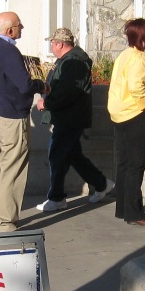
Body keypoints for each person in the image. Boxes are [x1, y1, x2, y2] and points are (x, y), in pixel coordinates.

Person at [35, 27, 112, 212]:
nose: (51, 46)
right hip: (68, 116)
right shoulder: (69, 61)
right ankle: (101, 184)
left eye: (52, 43)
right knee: (72, 155)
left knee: (57, 155)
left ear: (60, 44)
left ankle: (57, 198)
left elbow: (67, 92)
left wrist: (47, 103)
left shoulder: (74, 63)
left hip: (69, 117)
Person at [0, 11, 47, 232]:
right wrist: (41, 85)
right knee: (13, 169)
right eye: (19, 25)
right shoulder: (8, 51)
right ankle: (5, 221)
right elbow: (24, 85)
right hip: (11, 117)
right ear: (10, 30)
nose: (23, 28)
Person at [107, 18, 145, 226]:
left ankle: (124, 209)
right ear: (143, 36)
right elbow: (136, 87)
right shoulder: (138, 59)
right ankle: (135, 214)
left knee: (124, 164)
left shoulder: (125, 55)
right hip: (135, 115)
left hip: (120, 114)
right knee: (136, 165)